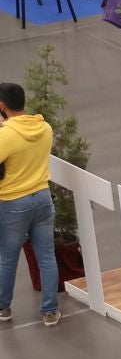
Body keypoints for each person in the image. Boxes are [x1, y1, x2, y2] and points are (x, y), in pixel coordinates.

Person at [0, 82, 58, 327]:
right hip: (42, 196)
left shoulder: (6, 135)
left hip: (13, 201)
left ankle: (3, 308)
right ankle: (50, 310)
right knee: (46, 255)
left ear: (2, 106)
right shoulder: (44, 128)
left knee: (7, 257)